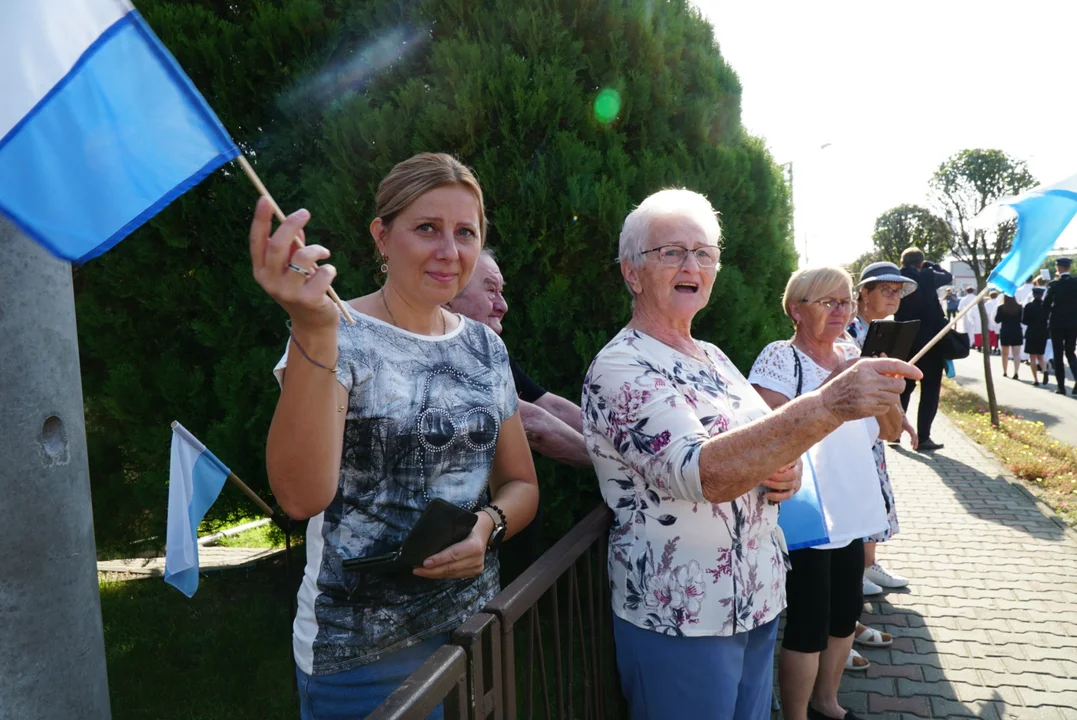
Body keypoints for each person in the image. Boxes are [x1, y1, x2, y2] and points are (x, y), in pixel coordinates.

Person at [581, 190, 919, 720]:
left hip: (758, 596)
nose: (692, 265)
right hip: (682, 614)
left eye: (704, 253)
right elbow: (702, 473)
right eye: (671, 252)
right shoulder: (621, 366)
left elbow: (758, 439)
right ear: (632, 272)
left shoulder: (711, 356)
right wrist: (829, 403)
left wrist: (776, 474)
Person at [251, 153, 540, 719]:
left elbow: (521, 483)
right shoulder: (340, 335)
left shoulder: (486, 348)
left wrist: (488, 526)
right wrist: (311, 329)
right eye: (426, 228)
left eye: (466, 233)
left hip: (471, 633)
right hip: (361, 658)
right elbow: (300, 496)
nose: (449, 251)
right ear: (381, 237)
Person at [750, 266, 906, 720]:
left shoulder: (855, 352)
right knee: (808, 623)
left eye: (846, 302)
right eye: (829, 302)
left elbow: (890, 433)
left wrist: (890, 396)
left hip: (854, 508)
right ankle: (797, 715)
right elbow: (770, 434)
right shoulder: (780, 358)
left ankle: (827, 703)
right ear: (796, 310)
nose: (842, 311)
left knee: (844, 617)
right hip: (809, 515)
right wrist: (839, 382)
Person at [447, 247, 590, 587]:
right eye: (491, 290)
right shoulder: (453, 356)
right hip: (466, 553)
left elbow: (550, 406)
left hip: (493, 544)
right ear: (448, 298)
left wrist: (619, 444)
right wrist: (623, 468)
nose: (503, 304)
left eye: (502, 291)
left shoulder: (487, 352)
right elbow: (531, 423)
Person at [845, 262, 919, 670]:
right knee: (861, 498)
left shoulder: (882, 334)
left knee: (876, 496)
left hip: (873, 431)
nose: (892, 297)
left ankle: (866, 566)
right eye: (885, 290)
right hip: (851, 435)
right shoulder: (850, 332)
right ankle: (854, 576)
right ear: (865, 293)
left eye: (897, 291)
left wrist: (902, 418)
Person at [895, 248, 953, 452]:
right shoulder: (927, 276)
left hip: (903, 341)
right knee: (929, 389)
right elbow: (948, 276)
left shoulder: (897, 277)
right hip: (930, 342)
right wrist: (933, 266)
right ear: (921, 262)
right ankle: (924, 437)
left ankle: (894, 432)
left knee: (903, 387)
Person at [1044, 257, 1077, 395]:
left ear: (1058, 268)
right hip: (1073, 322)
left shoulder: (1053, 285)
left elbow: (1045, 305)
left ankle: (1061, 387)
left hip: (1057, 323)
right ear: (1069, 267)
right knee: (1070, 352)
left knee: (1058, 354)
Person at [1022, 286, 1049, 386]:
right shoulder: (1046, 306)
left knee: (1032, 357)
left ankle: (1036, 379)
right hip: (1043, 332)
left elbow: (1024, 321)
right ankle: (1044, 369)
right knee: (1040, 355)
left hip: (1032, 332)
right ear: (1042, 295)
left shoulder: (1029, 306)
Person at [995, 295, 1024, 380]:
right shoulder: (1019, 307)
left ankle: (1005, 371)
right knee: (1016, 354)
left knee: (1005, 353)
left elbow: (997, 320)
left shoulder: (1001, 307)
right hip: (1017, 331)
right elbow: (1022, 319)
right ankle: (1016, 372)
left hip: (1005, 331)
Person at [957, 286, 981, 350]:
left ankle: (970, 343)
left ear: (966, 291)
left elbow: (960, 308)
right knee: (975, 329)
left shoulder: (964, 299)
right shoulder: (976, 297)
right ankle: (975, 342)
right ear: (973, 291)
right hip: (976, 314)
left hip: (967, 315)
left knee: (967, 329)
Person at [985, 290, 1001, 354]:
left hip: (990, 322)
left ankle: (990, 347)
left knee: (990, 336)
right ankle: (998, 348)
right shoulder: (999, 302)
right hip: (998, 322)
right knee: (998, 336)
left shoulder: (987, 304)